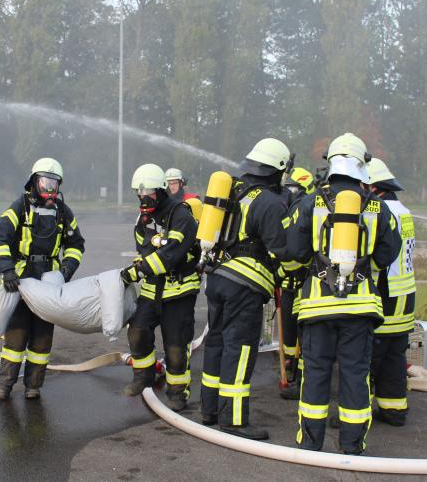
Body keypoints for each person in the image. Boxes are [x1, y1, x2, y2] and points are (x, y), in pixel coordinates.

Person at [288, 133, 401, 455]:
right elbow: (385, 256)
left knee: (315, 373)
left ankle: (310, 444)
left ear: (332, 163)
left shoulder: (310, 202)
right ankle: (353, 446)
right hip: (360, 307)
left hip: (316, 306)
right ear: (361, 166)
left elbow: (294, 252)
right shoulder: (378, 207)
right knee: (355, 375)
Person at [200, 137, 298, 441]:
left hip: (217, 278)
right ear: (277, 170)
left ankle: (210, 410)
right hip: (245, 284)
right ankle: (234, 420)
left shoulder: (232, 189)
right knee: (240, 349)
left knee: (215, 342)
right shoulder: (268, 202)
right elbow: (281, 248)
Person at [0, 158, 85, 400]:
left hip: (48, 285)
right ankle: (5, 386)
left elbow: (76, 245)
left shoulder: (63, 212)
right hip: (19, 281)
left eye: (54, 183)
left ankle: (33, 386)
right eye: (45, 182)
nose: (50, 189)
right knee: (16, 337)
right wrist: (7, 270)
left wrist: (65, 272)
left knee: (42, 340)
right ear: (34, 181)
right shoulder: (19, 207)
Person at [120, 164, 201, 412]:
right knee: (137, 331)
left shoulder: (181, 215)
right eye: (139, 193)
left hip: (179, 290)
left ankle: (177, 392)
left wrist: (139, 269)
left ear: (161, 190)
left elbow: (170, 255)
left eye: (149, 193)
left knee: (176, 344)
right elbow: (144, 252)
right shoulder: (143, 219)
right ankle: (143, 376)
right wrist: (136, 268)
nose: (143, 198)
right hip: (152, 289)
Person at [366, 158, 417, 427]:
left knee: (367, 356)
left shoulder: (380, 210)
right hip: (405, 293)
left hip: (385, 294)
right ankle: (394, 410)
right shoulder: (403, 209)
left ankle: (357, 412)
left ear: (373, 188)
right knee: (394, 355)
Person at [276, 167, 316, 400]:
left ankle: (301, 378)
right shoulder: (292, 208)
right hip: (290, 284)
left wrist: (281, 268)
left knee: (306, 334)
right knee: (290, 331)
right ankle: (290, 367)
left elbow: (300, 251)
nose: (288, 192)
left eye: (293, 188)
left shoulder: (307, 210)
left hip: (305, 283)